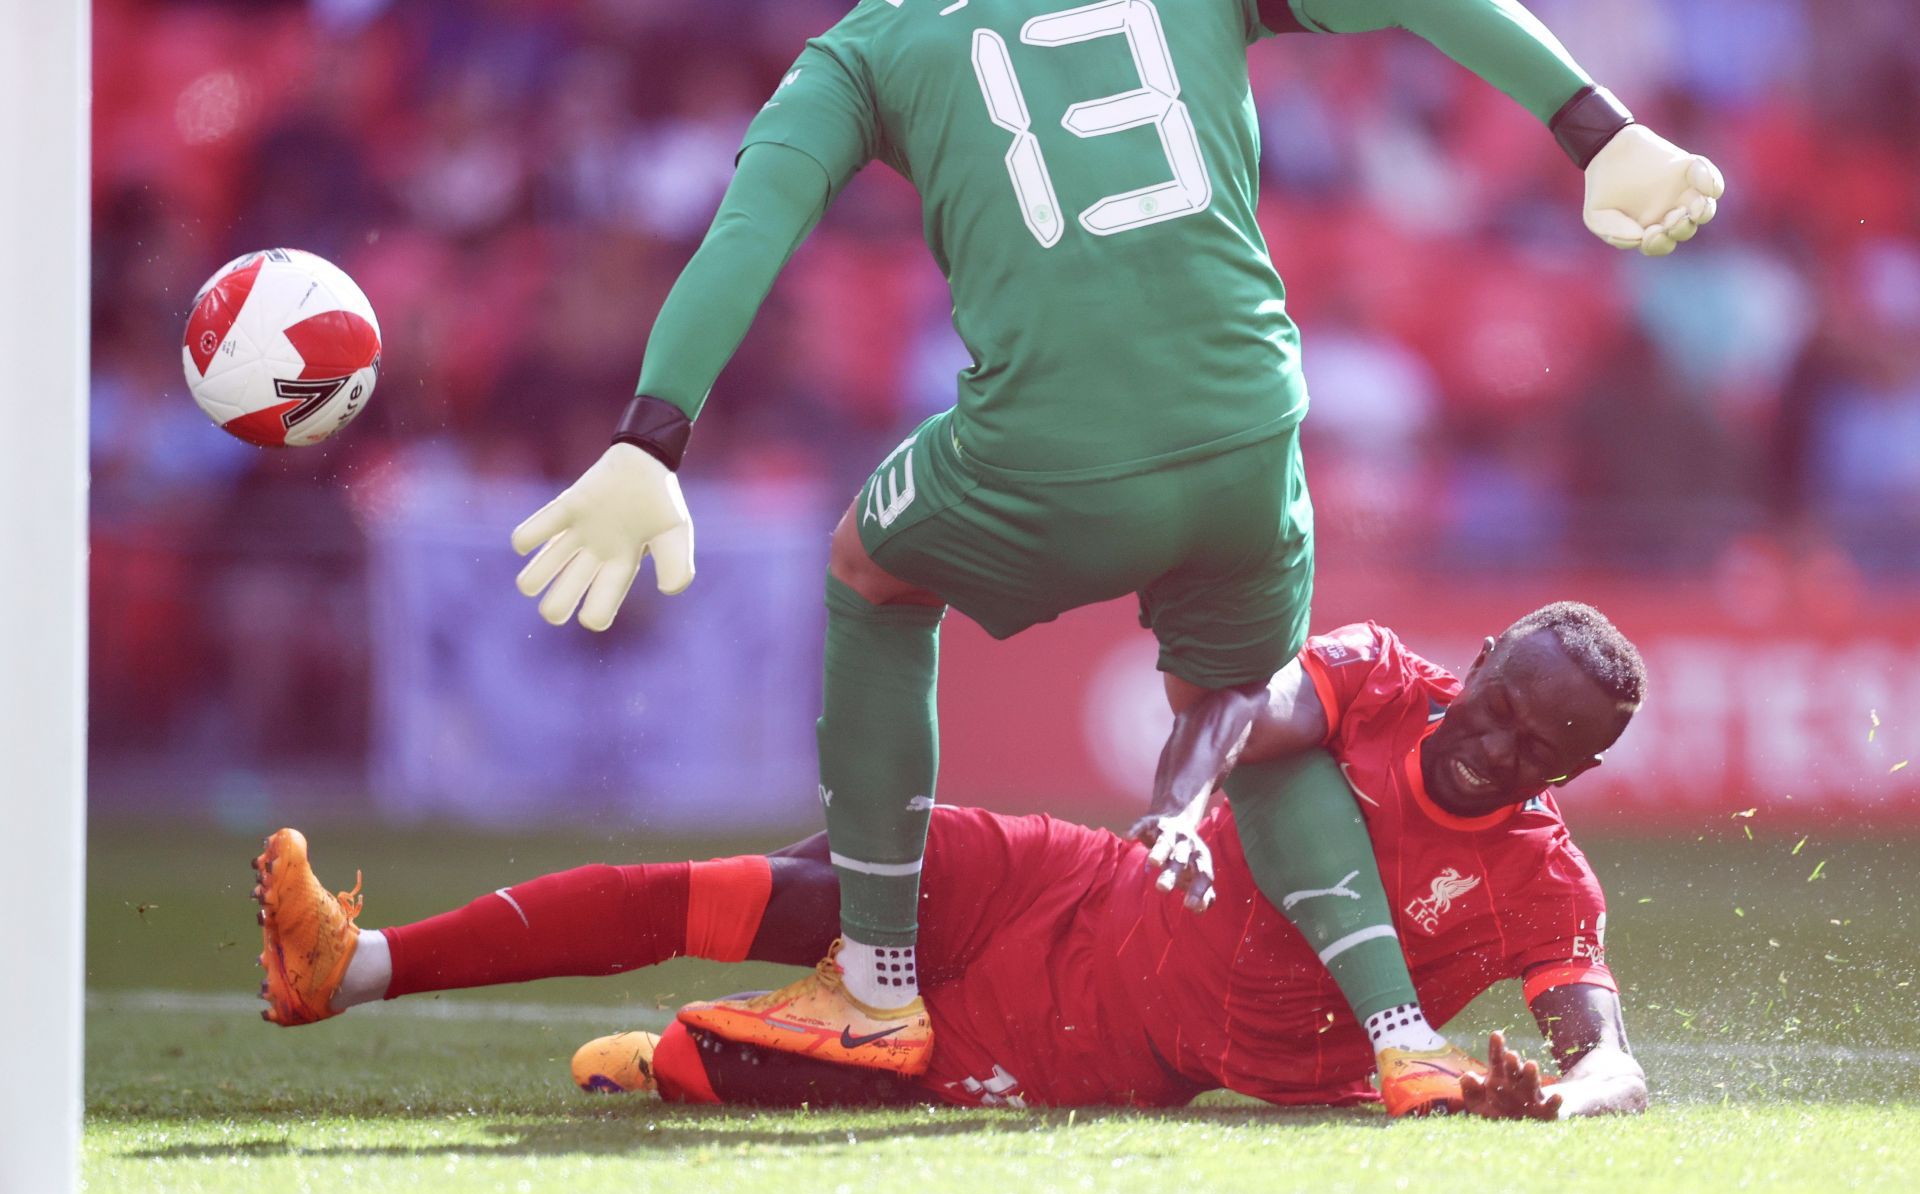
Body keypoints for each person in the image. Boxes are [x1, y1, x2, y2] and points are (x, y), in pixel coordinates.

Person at [506, 0, 1716, 1089]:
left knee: (871, 572)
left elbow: (749, 233)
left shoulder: (864, 48)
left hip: (1051, 444)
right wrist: (1598, 127)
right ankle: (1402, 1044)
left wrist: (649, 439)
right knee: (1246, 695)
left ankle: (876, 988)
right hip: (1250, 426)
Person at [256, 601, 1648, 1119]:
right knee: (773, 883)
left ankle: (691, 1058)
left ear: (1575, 774)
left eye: (1538, 742)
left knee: (690, 1067)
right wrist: (1180, 798)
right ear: (1473, 663)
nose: (1494, 741)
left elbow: (1601, 1041)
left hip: (1088, 1039)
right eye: (1499, 698)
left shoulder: (1543, 883)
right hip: (1072, 878)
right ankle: (357, 964)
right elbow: (1245, 709)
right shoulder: (1378, 672)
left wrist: (1576, 1088)